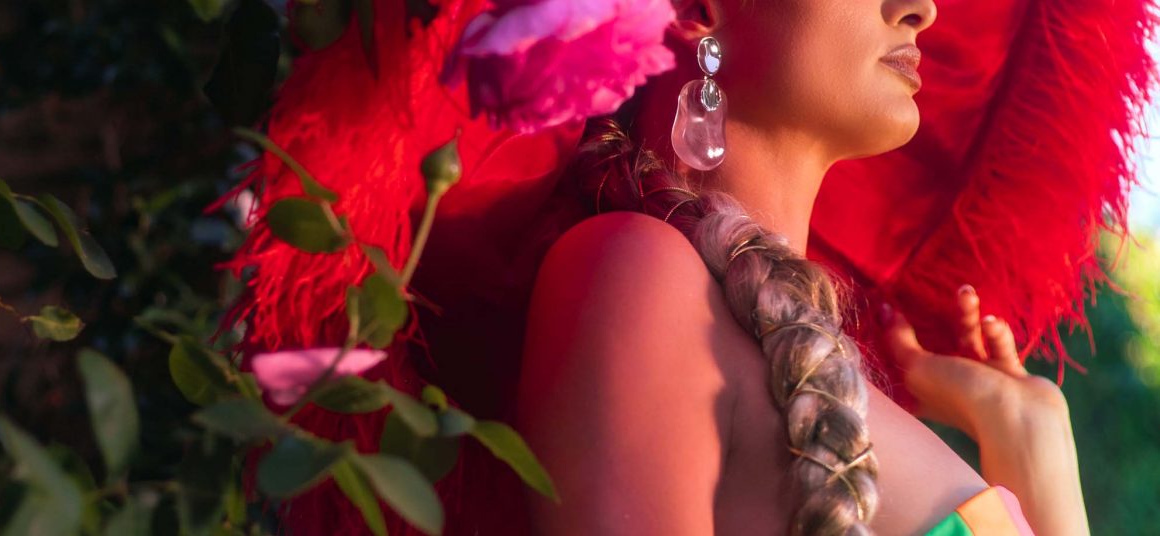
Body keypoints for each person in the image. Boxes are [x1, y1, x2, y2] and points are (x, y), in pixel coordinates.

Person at [220, 0, 1154, 534]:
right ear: (703, 7)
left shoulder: (805, 365)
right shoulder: (634, 278)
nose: (924, 6)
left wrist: (1036, 449)